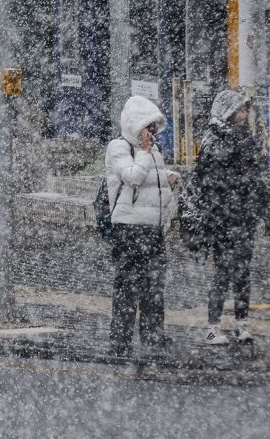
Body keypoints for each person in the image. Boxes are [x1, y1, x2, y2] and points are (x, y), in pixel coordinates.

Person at [193, 89, 270, 345]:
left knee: (242, 274)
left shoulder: (246, 138)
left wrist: (268, 213)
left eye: (245, 109)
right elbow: (206, 183)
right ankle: (213, 327)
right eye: (239, 109)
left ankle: (241, 324)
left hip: (244, 219)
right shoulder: (214, 140)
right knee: (222, 273)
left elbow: (256, 181)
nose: (244, 114)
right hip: (223, 221)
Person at [105, 95, 178, 357]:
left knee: (154, 287)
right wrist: (145, 152)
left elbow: (153, 185)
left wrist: (169, 180)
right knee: (127, 288)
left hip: (152, 229)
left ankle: (153, 338)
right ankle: (120, 342)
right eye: (148, 127)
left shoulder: (153, 151)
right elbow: (133, 176)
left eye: (154, 127)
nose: (152, 132)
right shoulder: (119, 147)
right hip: (129, 228)